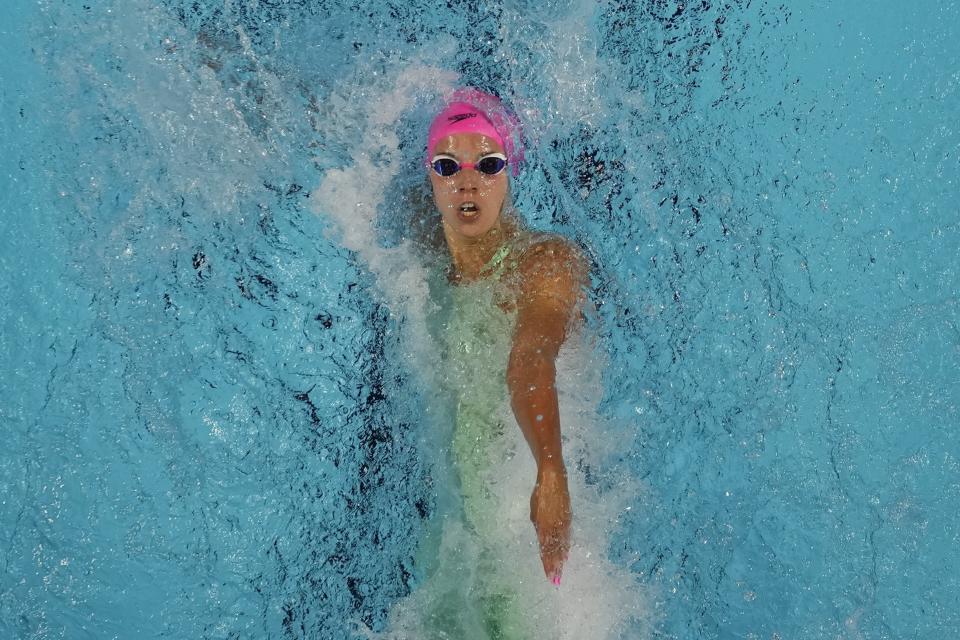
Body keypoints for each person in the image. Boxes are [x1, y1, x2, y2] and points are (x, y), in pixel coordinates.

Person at [422, 87, 588, 637]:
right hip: (451, 515)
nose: (467, 181)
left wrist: (550, 471)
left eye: (487, 164)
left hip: (533, 497)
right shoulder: (418, 257)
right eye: (447, 166)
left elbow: (531, 359)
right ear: (429, 178)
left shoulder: (545, 262)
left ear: (510, 171)